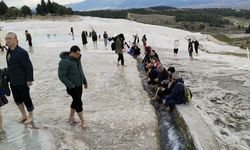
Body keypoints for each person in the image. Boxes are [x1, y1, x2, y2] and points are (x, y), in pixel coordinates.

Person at [5, 32, 34, 124]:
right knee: (17, 99)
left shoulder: (21, 52)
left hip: (22, 80)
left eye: (9, 38)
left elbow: (28, 66)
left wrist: (29, 79)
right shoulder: (9, 51)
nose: (7, 40)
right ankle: (23, 115)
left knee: (26, 98)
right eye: (6, 38)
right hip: (13, 80)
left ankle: (31, 116)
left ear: (15, 39)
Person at [58, 45, 88, 129]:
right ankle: (83, 121)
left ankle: (71, 117)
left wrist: (84, 81)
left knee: (75, 101)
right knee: (78, 102)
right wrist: (71, 85)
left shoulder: (77, 59)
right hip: (72, 87)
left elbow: (81, 71)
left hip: (79, 85)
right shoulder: (65, 62)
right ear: (71, 53)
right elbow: (61, 76)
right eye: (77, 54)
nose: (79, 55)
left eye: (79, 54)